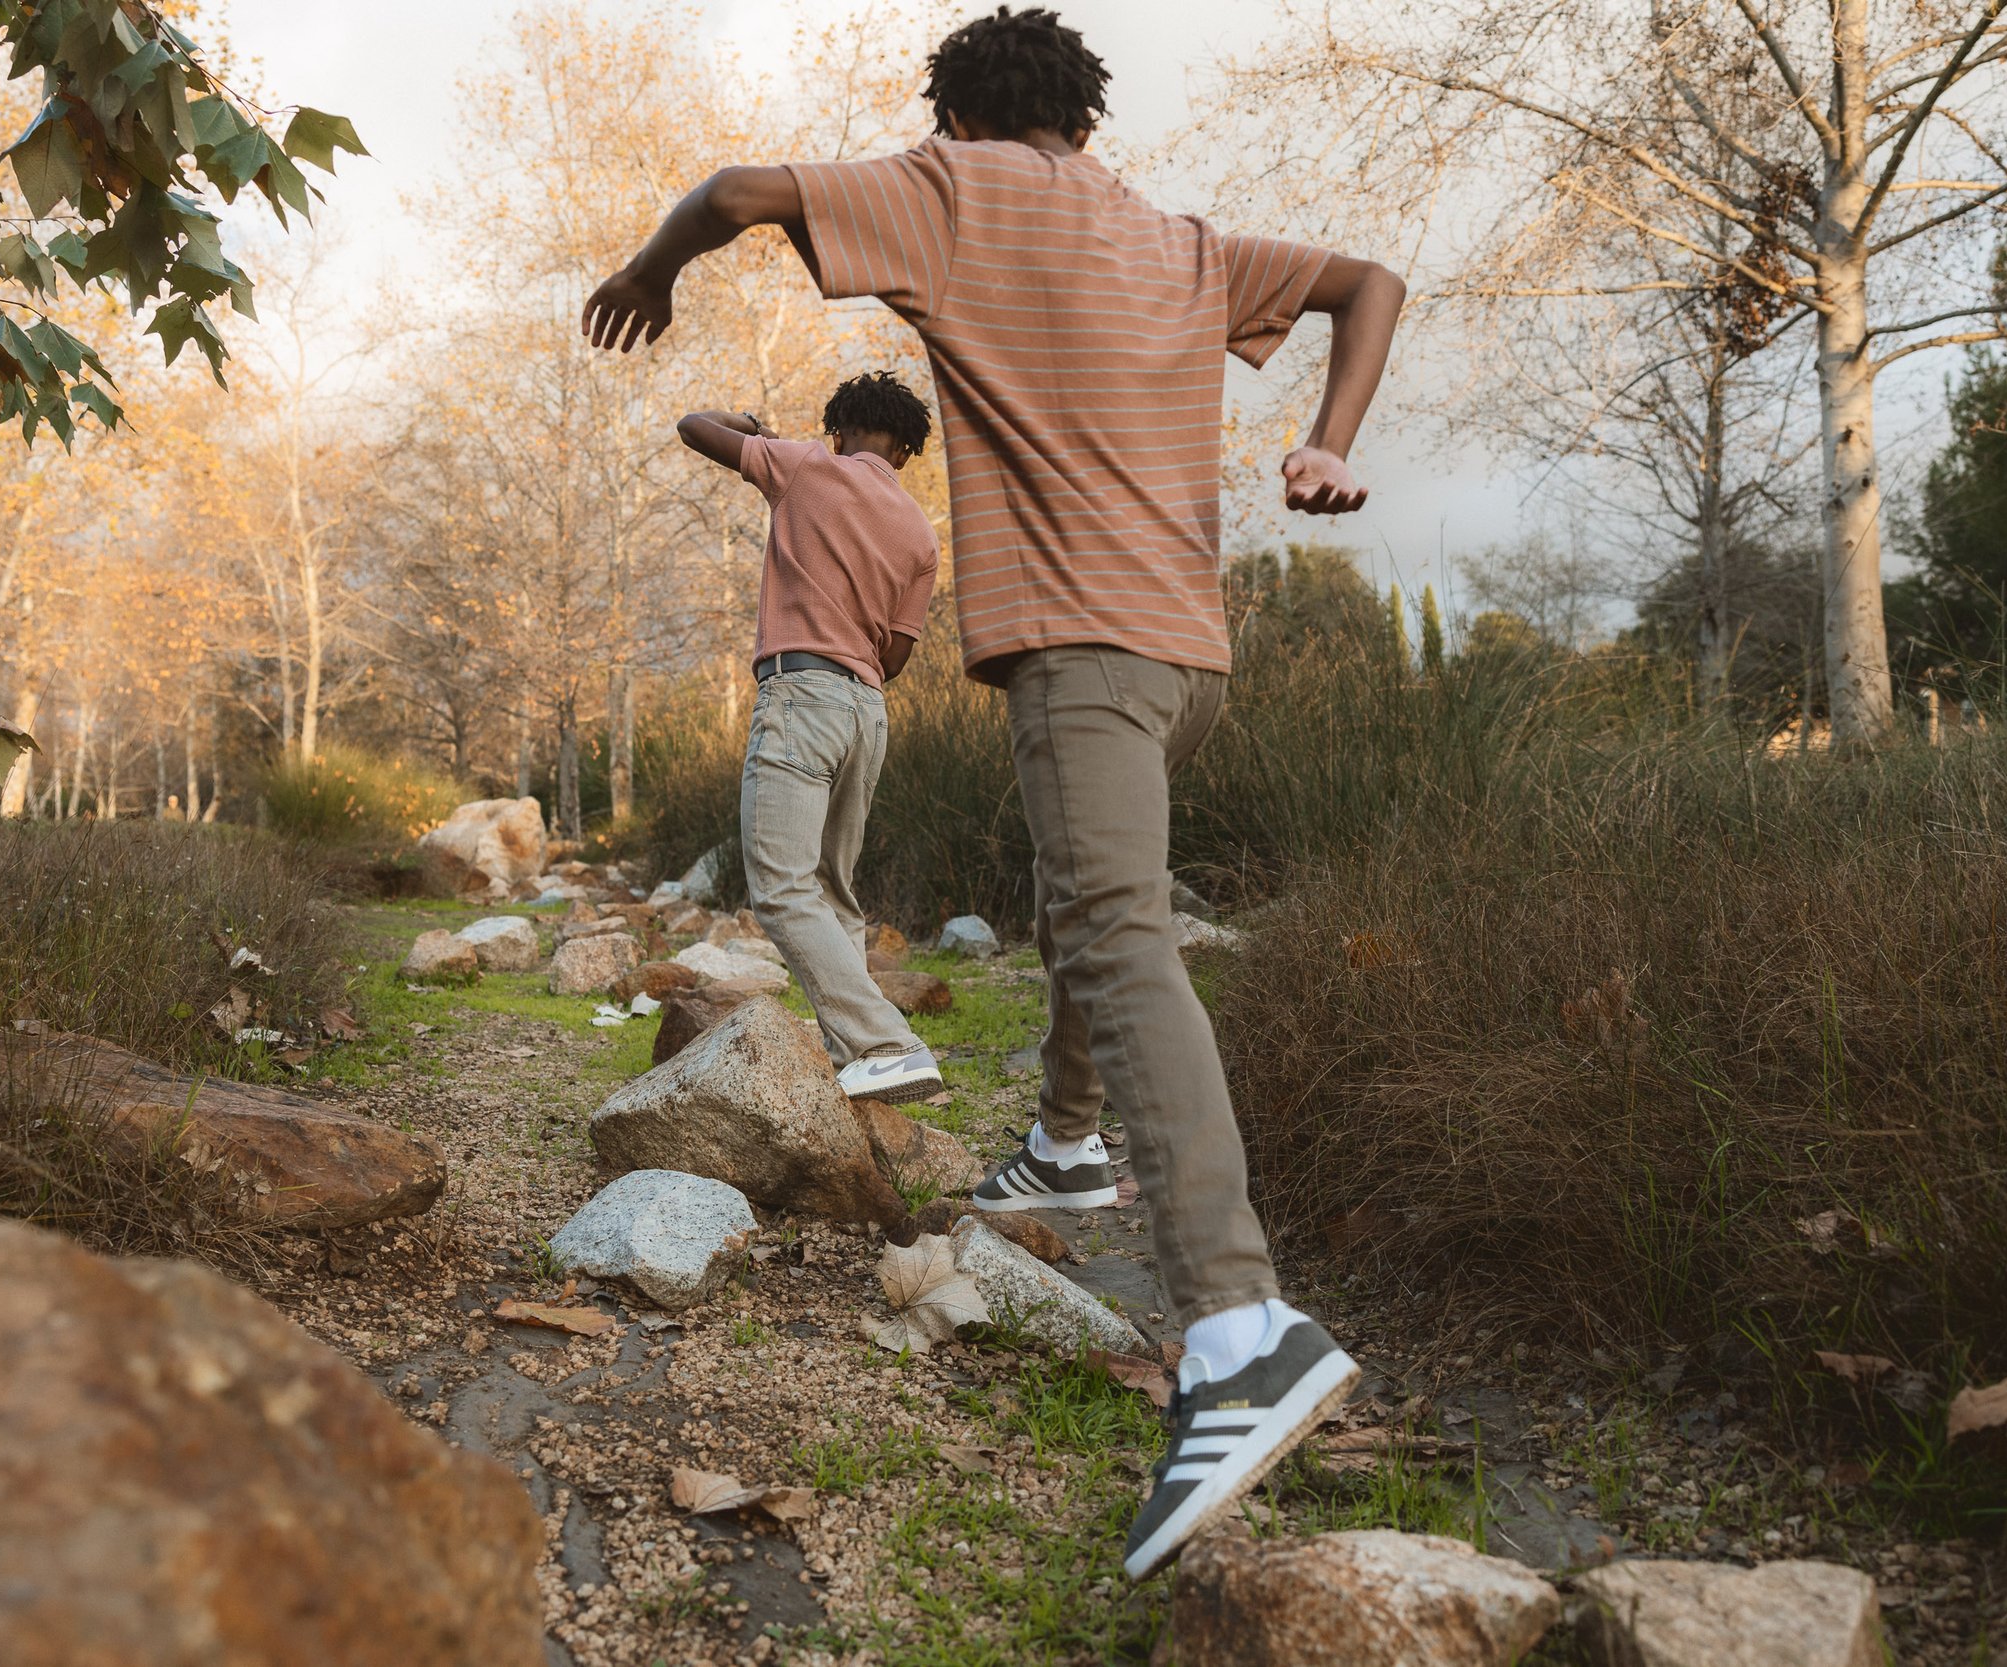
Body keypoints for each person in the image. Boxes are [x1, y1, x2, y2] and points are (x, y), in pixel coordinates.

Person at [585, 4, 1406, 1579]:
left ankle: (1239, 1322)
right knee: (1102, 906)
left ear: (953, 119)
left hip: (1085, 645)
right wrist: (1322, 441)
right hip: (1189, 656)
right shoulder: (1179, 236)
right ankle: (1067, 1143)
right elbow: (1374, 281)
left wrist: (655, 271)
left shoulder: (951, 188)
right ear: (1084, 123)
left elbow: (739, 184)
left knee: (1108, 931)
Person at [675, 373, 946, 1103]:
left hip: (802, 694)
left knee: (781, 886)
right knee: (833, 890)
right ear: (907, 448)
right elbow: (896, 657)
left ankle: (886, 1043)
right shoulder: (921, 533)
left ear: (840, 428)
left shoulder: (804, 465)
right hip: (866, 711)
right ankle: (854, 1056)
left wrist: (751, 426)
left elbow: (693, 426)